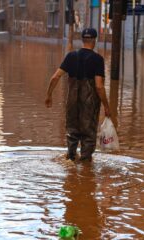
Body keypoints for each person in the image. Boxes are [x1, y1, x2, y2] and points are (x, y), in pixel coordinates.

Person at [45, 28, 110, 161]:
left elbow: (55, 77)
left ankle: (71, 160)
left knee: (72, 132)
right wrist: (107, 106)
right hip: (89, 104)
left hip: (72, 102)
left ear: (82, 40)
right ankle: (86, 170)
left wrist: (49, 95)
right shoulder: (97, 59)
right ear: (94, 41)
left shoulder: (71, 56)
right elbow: (99, 86)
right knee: (88, 134)